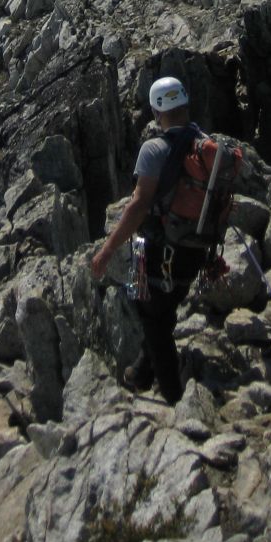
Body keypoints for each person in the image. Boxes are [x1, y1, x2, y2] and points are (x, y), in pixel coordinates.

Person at [89, 74, 211, 405]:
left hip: (159, 252)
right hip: (195, 250)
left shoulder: (154, 149)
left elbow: (138, 206)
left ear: (157, 111)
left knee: (151, 316)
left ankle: (174, 396)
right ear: (184, 103)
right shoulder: (204, 144)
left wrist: (106, 250)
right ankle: (142, 373)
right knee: (163, 309)